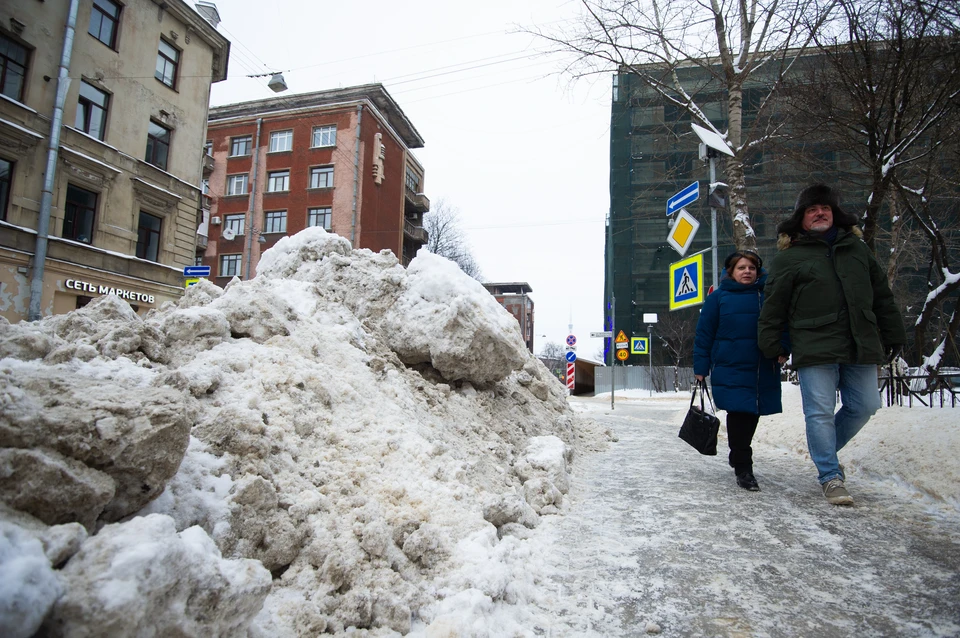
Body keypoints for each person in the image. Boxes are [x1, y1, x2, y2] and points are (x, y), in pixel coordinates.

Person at [758, 184, 905, 506]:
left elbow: (882, 295)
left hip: (860, 340)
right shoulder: (790, 258)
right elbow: (773, 307)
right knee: (819, 413)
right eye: (812, 209)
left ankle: (824, 453)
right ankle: (830, 475)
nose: (820, 213)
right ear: (802, 218)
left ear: (835, 214)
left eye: (825, 208)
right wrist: (772, 344)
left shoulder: (858, 250)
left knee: (866, 406)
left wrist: (893, 333)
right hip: (814, 344)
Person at [694, 250, 784, 492]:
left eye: (752, 268)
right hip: (730, 366)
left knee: (751, 414)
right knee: (739, 414)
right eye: (741, 268)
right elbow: (704, 334)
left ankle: (738, 456)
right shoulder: (718, 298)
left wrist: (783, 348)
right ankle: (744, 468)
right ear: (731, 272)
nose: (747, 271)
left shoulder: (767, 295)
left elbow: (782, 324)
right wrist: (700, 368)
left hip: (761, 367)